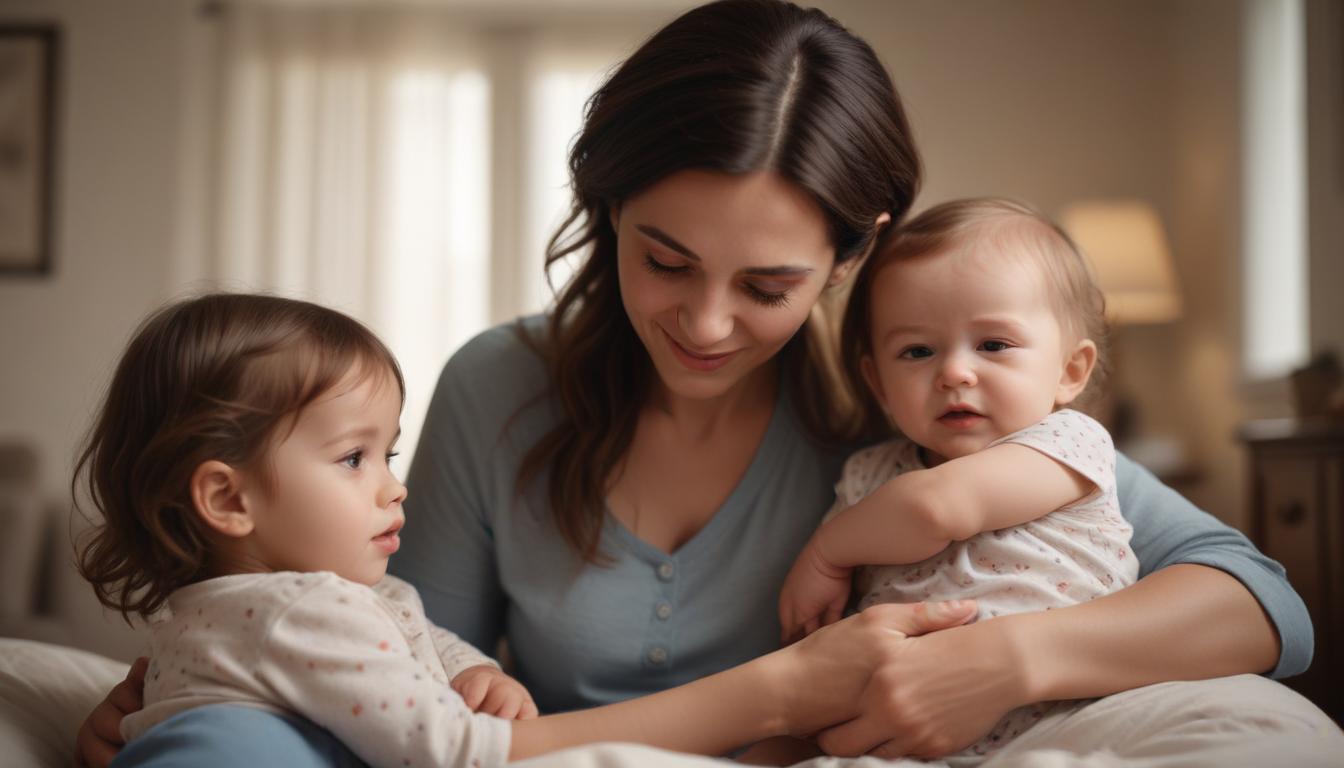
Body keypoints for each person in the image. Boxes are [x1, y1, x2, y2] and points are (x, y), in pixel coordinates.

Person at [78, 1, 1339, 765]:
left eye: (771, 286)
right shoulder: (497, 388)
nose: (707, 322)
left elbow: (1263, 609)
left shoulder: (908, 400)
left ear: (854, 251)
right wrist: (221, 675)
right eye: (663, 260)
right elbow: (410, 663)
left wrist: (1006, 666)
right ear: (605, 207)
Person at [73, 292, 969, 768]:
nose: (395, 487)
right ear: (228, 501)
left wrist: (473, 668)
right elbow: (456, 753)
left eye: (391, 452)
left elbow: (409, 631)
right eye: (357, 460)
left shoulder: (328, 598)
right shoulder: (301, 609)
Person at [777, 198, 1133, 761]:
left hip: (1068, 716)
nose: (953, 373)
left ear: (1070, 370)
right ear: (879, 384)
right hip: (905, 731)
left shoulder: (1069, 445)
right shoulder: (868, 474)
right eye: (917, 351)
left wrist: (824, 553)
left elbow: (936, 509)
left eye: (993, 345)